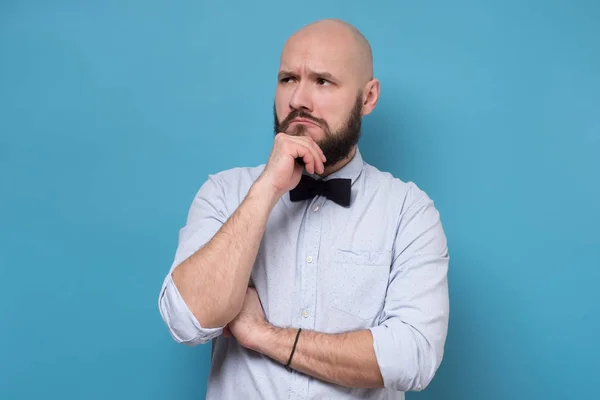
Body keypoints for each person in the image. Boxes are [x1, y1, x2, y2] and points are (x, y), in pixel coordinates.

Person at [158, 18, 449, 400]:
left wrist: (264, 335)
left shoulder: (408, 212)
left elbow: (414, 357)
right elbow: (186, 321)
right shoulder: (224, 193)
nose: (298, 100)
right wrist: (266, 189)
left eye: (322, 81)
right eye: (288, 79)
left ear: (368, 97)